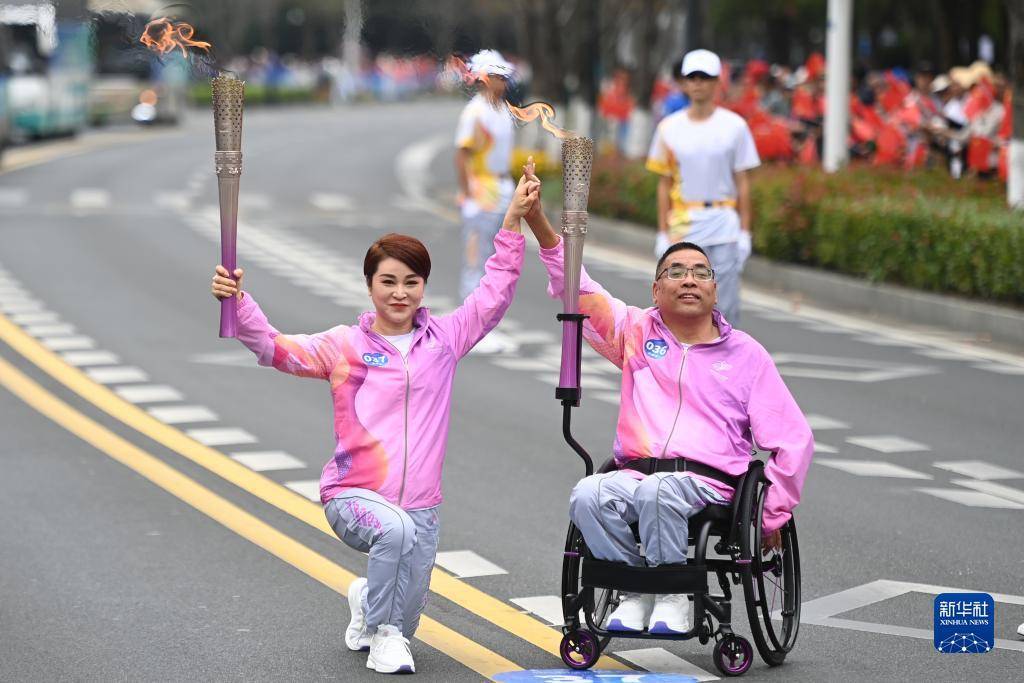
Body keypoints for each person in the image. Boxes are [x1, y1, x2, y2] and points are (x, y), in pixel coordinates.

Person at [210, 167, 539, 674]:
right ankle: (383, 632)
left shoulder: (445, 341)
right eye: (388, 281)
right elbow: (278, 349)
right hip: (354, 496)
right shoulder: (345, 346)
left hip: (422, 506)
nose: (399, 292)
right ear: (369, 286)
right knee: (394, 559)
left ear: (424, 287)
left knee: (410, 616)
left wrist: (513, 220)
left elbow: (494, 295)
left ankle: (371, 602)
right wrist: (238, 301)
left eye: (411, 282)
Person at [520, 184, 813, 634]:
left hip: (709, 482)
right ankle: (635, 591)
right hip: (636, 473)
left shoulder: (746, 355)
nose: (689, 279)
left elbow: (793, 439)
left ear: (715, 289)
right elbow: (578, 288)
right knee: (588, 495)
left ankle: (676, 596)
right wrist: (539, 221)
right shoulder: (636, 332)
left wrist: (772, 511)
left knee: (662, 492)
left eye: (701, 272)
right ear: (656, 290)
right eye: (676, 272)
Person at [646, 49, 761, 326]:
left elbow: (742, 182)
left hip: (723, 224)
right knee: (677, 305)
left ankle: (726, 365)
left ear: (717, 82)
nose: (698, 83)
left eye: (705, 77)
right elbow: (665, 185)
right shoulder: (668, 128)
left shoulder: (735, 127)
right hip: (684, 225)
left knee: (726, 306)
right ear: (684, 83)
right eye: (692, 77)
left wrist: (744, 232)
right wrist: (662, 232)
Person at [454, 49, 516, 302]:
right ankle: (470, 320)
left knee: (499, 259)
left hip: (503, 185)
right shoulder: (475, 112)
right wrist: (469, 194)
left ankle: (489, 322)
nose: (504, 82)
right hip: (482, 188)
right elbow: (462, 154)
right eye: (498, 77)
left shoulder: (503, 110)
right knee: (477, 257)